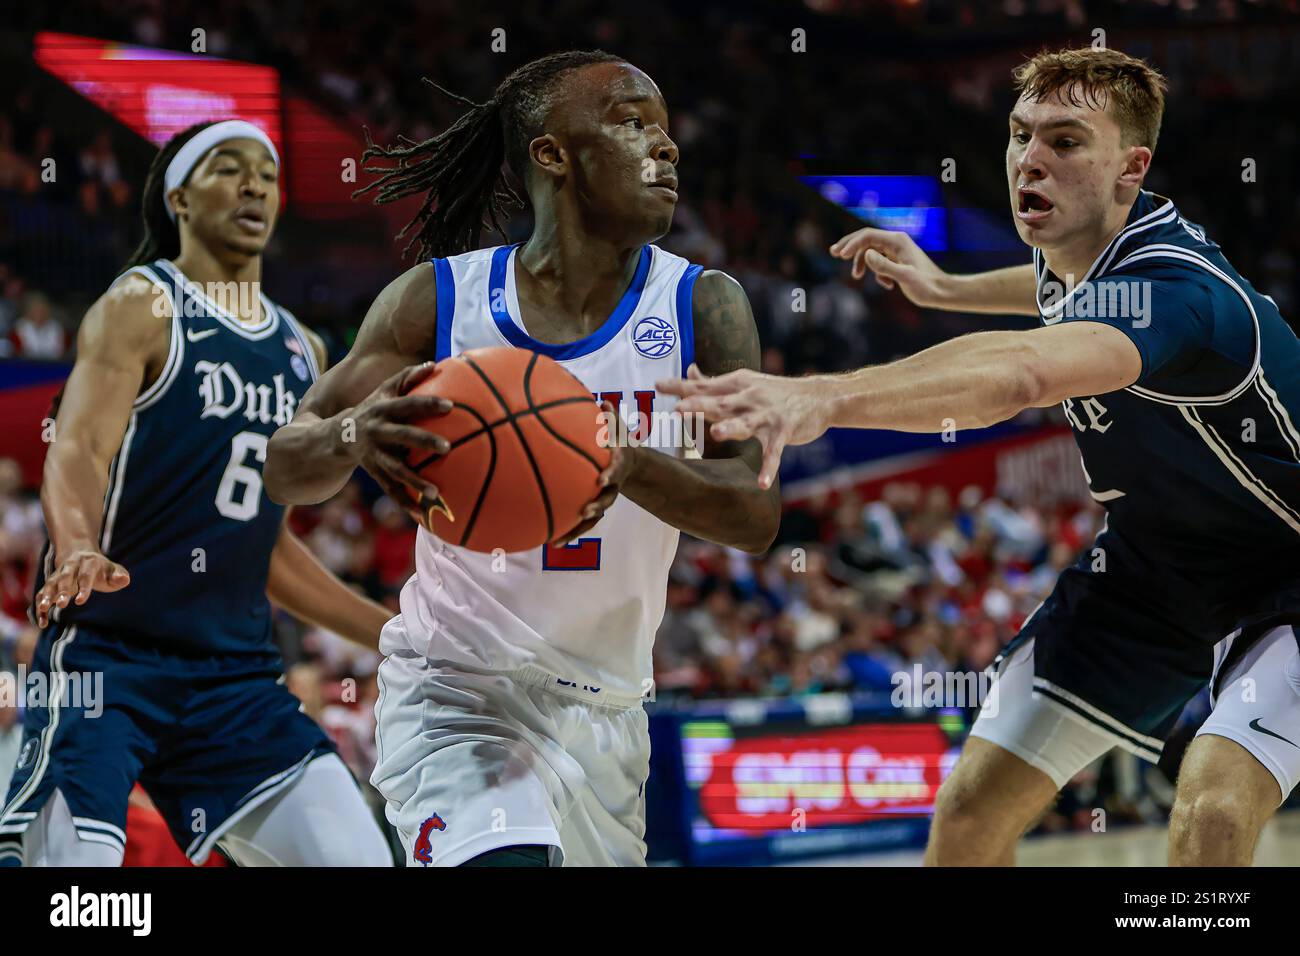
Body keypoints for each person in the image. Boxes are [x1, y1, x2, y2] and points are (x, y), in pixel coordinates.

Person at [662, 47, 1300, 866]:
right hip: (1153, 572)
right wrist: (945, 288)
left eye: (1066, 141)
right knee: (968, 813)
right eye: (1020, 134)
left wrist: (825, 396)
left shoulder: (1178, 293)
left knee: (1213, 801)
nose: (1031, 158)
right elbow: (1045, 287)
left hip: (1284, 569)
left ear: (1131, 168)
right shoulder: (1091, 254)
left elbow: (1022, 371)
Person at [264, 50, 780, 866]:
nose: (666, 146)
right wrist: (354, 433)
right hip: (456, 688)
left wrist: (624, 463)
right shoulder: (440, 303)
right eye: (631, 121)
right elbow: (285, 466)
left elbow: (755, 518)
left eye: (667, 128)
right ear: (552, 154)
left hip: (609, 712)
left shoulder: (701, 305)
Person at [0, 120, 394, 867]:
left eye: (267, 175)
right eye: (228, 169)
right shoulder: (142, 305)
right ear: (178, 196)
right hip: (106, 661)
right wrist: (78, 542)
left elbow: (266, 547)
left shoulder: (301, 349)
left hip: (232, 681)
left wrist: (395, 632)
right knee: (78, 899)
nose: (254, 185)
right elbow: (79, 445)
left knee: (362, 861)